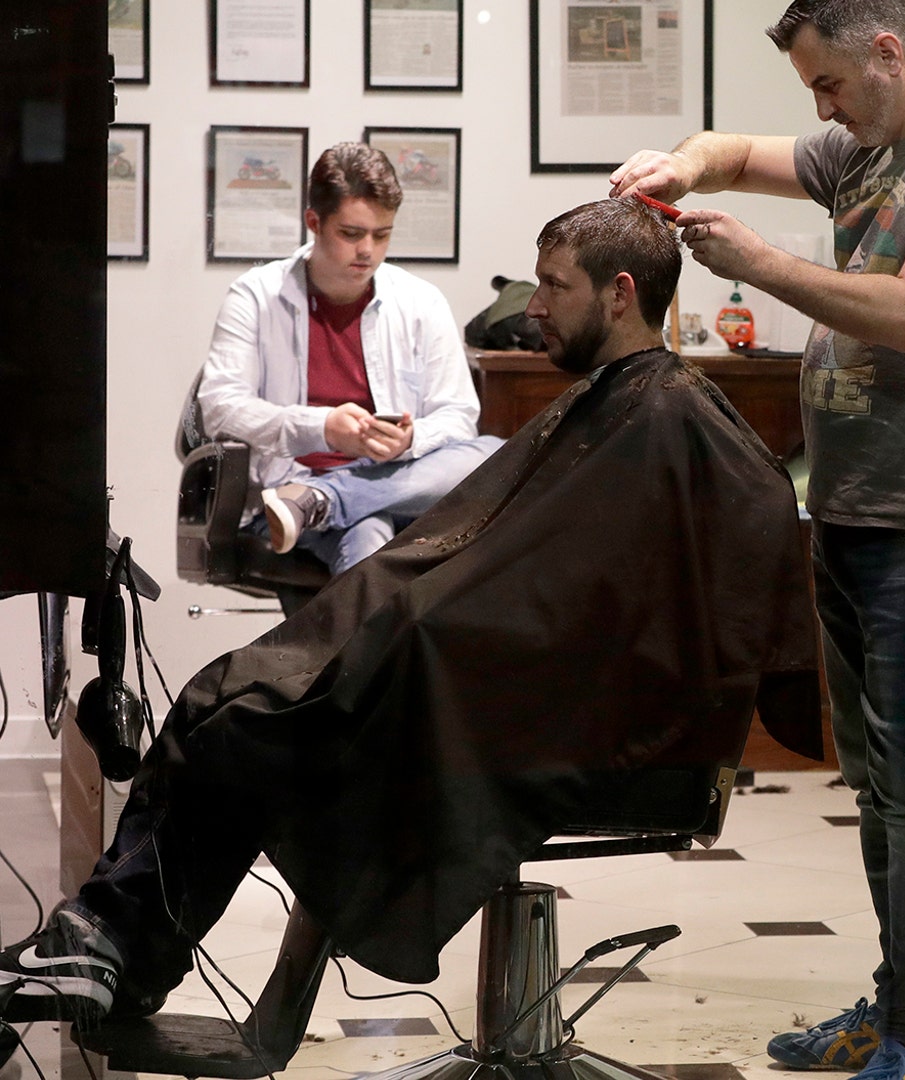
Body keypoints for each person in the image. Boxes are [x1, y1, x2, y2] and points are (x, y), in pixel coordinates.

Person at [0, 198, 821, 1028]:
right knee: (221, 697)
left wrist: (412, 636)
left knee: (242, 730)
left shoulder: (668, 414)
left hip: (571, 727)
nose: (533, 306)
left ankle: (114, 950)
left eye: (553, 285)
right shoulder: (627, 402)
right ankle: (112, 951)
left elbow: (639, 583)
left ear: (619, 293)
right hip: (527, 690)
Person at [609, 3, 905, 1078]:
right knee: (878, 791)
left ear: (887, 51)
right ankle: (898, 1004)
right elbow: (732, 152)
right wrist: (679, 166)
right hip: (849, 509)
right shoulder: (864, 148)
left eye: (830, 85)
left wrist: (756, 261)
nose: (823, 110)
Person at [195, 142, 503, 575]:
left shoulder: (422, 301)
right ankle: (320, 498)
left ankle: (323, 500)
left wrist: (409, 441)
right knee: (371, 532)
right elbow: (220, 409)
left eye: (382, 234)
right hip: (288, 486)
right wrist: (322, 429)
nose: (368, 251)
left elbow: (458, 418)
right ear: (314, 222)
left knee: (493, 455)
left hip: (394, 481)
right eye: (352, 234)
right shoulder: (255, 296)